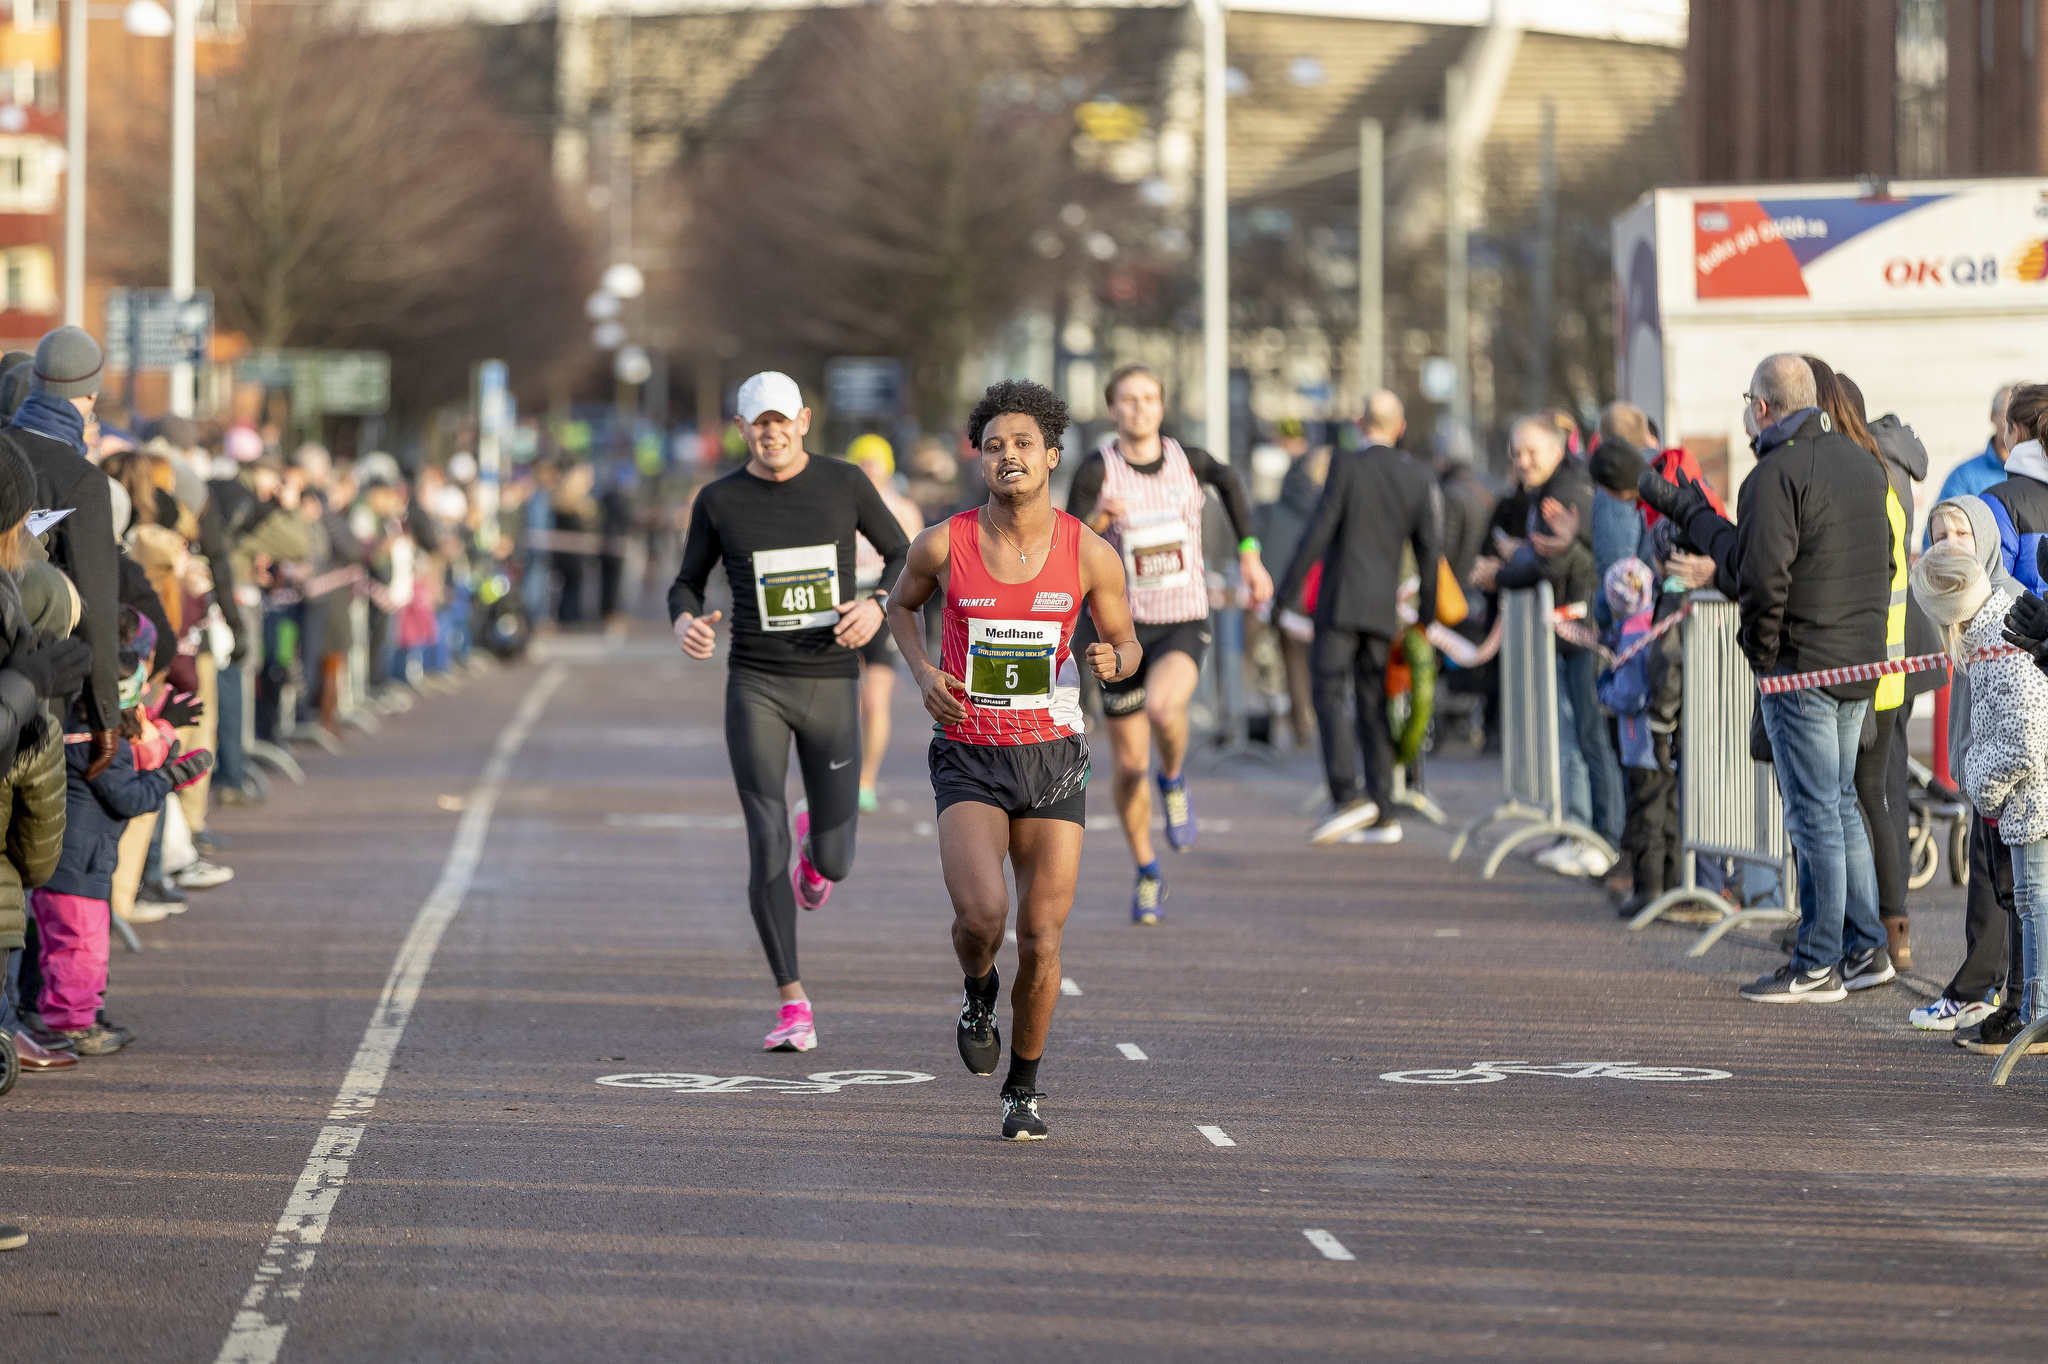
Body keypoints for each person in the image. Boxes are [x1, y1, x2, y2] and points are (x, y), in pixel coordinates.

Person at [883, 379, 1138, 1141]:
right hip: (970, 752)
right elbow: (901, 606)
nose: (1008, 456)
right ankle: (977, 989)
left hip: (1054, 756)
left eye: (1023, 444)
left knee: (1043, 936)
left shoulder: (1089, 553)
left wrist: (1115, 659)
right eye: (994, 446)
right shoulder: (942, 543)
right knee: (981, 916)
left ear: (1052, 456)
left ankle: (1022, 1089)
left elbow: (1126, 642)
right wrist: (924, 674)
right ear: (981, 461)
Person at [668, 371, 911, 1053]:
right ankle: (792, 1001)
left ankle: (817, 846)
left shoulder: (844, 484)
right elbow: (686, 582)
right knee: (765, 836)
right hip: (756, 684)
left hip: (830, 682)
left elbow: (903, 553)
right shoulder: (720, 500)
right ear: (741, 429)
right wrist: (685, 621)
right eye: (758, 423)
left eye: (781, 420)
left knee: (835, 859)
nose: (771, 433)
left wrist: (877, 606)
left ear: (803, 421)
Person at [1064, 363, 1270, 923]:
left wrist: (1250, 554)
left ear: (1161, 405)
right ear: (1112, 409)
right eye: (1128, 400)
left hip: (1181, 617)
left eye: (1149, 398)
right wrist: (1098, 519)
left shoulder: (1189, 461)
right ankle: (1147, 869)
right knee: (1129, 767)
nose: (1139, 408)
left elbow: (1231, 483)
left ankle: (1174, 778)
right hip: (1119, 629)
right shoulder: (1097, 469)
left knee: (1163, 707)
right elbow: (1066, 540)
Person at [1732, 354, 1896, 1003]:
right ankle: (1865, 948)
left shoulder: (1774, 473)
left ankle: (1818, 961)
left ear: (1762, 407)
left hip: (1802, 665)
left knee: (1815, 816)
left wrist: (1762, 653)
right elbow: (1886, 561)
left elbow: (1762, 578)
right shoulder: (1862, 462)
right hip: (1857, 658)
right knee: (1840, 806)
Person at [1276, 391, 1441, 845]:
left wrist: (1284, 594)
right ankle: (1384, 809)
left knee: (1329, 692)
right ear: (1400, 427)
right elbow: (1429, 549)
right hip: (1383, 609)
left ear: (1358, 423)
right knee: (1373, 701)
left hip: (1339, 602)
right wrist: (1425, 615)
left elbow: (1319, 530)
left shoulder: (1346, 466)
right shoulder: (1418, 475)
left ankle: (1348, 794)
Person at [1913, 521, 2048, 1054]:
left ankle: (2034, 1016)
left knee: (2033, 908)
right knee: (2026, 906)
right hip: (2023, 802)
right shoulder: (1992, 632)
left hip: (2031, 802)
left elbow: (2024, 738)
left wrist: (1979, 781)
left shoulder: (1997, 641)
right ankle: (2029, 1012)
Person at [1477, 413, 1618, 876]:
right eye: (1516, 452)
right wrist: (1521, 556)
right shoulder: (1551, 488)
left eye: (1531, 452)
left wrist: (1502, 573)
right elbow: (1545, 553)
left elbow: (1553, 562)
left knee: (1590, 738)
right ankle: (1577, 832)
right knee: (1573, 738)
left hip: (1585, 631)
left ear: (1557, 451)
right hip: (1570, 630)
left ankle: (1603, 839)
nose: (1522, 461)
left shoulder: (1568, 489)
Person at [8, 327, 120, 782]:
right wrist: (106, 713)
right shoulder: (81, 480)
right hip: (41, 678)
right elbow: (97, 604)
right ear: (91, 394)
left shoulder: (4, 450)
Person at [848, 433, 924, 814]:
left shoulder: (903, 510)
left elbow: (919, 566)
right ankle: (842, 773)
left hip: (885, 606)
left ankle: (866, 779)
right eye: (862, 464)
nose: (870, 471)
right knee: (848, 701)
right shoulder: (843, 506)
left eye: (875, 464)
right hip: (846, 606)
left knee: (875, 699)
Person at [1929, 383, 2021, 536]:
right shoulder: (1964, 477)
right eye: (2007, 416)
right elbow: (1937, 535)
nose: (2014, 425)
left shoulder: (2039, 473)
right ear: (1992, 416)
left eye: (2020, 418)